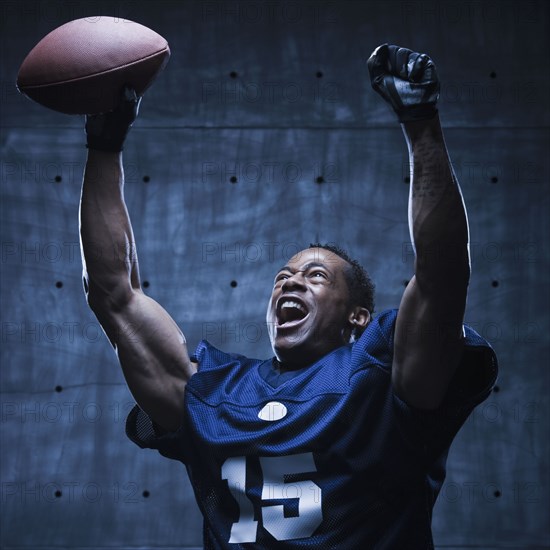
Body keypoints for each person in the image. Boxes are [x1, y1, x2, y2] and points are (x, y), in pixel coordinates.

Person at [79, 44, 498, 549]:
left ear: (358, 317)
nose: (290, 282)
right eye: (282, 276)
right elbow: (116, 296)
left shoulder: (387, 378)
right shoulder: (216, 393)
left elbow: (442, 273)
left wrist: (421, 122)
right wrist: (105, 145)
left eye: (315, 275)